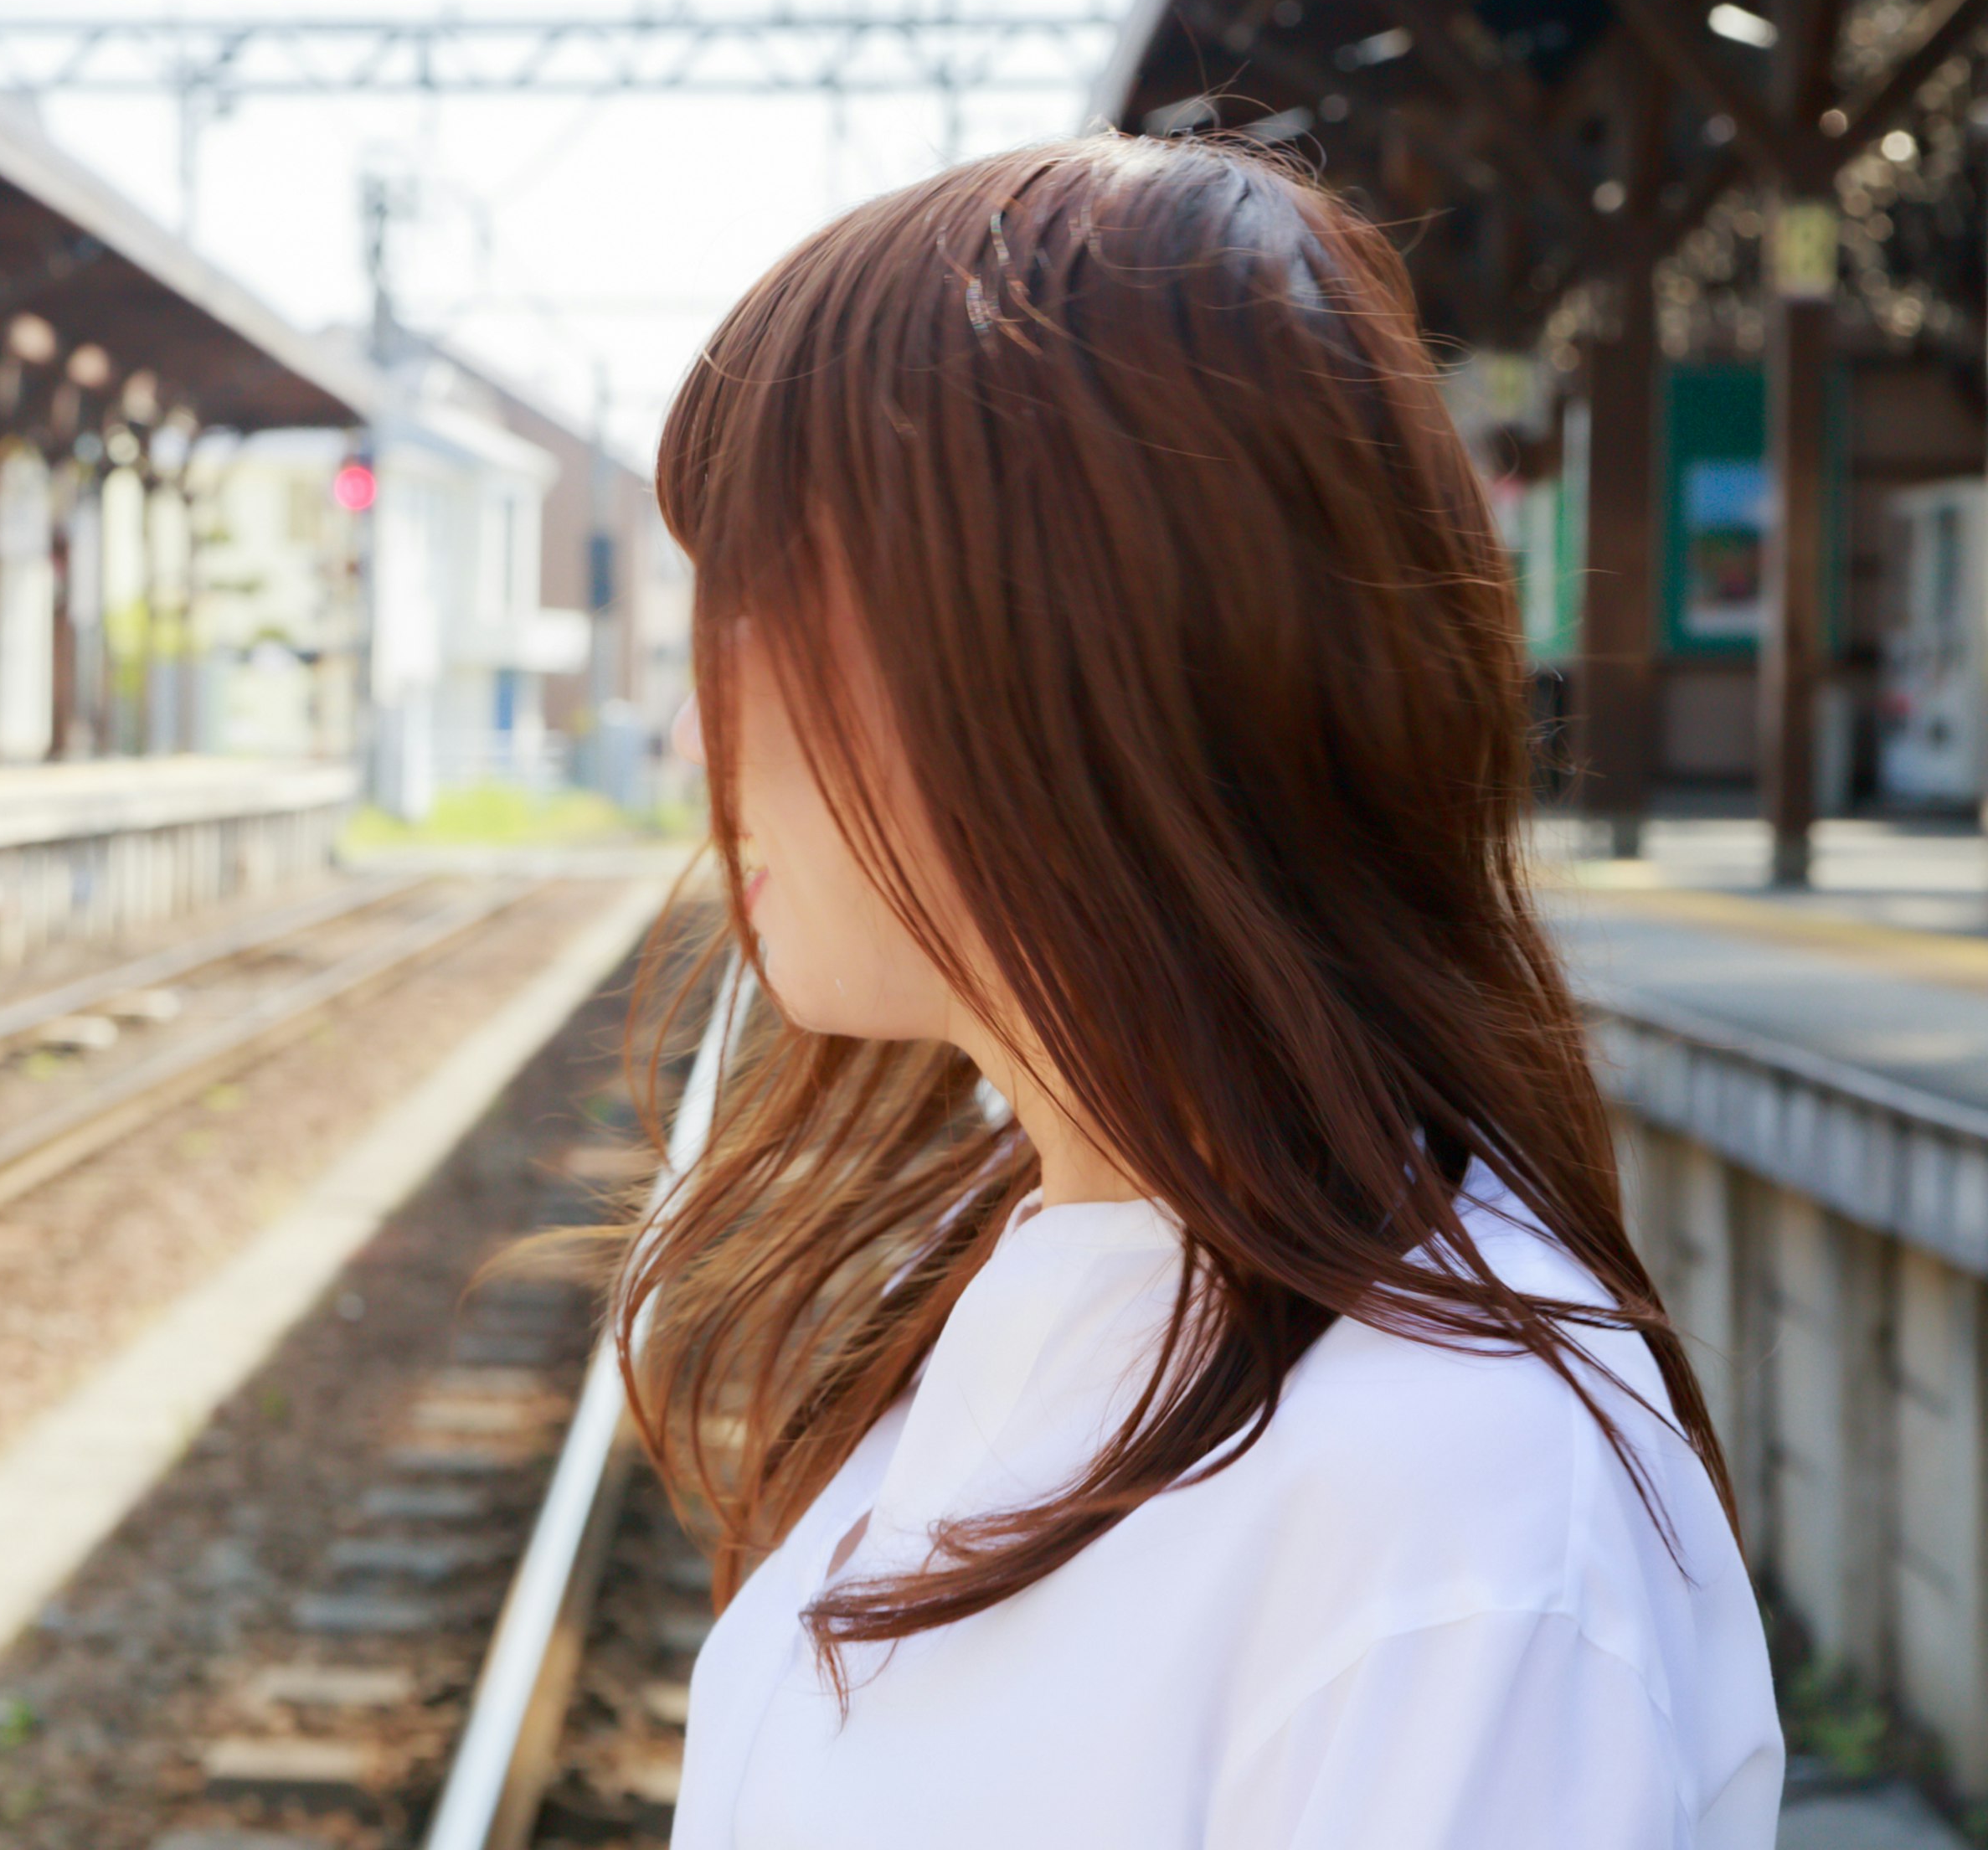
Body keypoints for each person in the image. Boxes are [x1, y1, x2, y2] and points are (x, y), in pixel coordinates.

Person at [629, 136, 1779, 1847]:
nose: (692, 735)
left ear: (1044, 656)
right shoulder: (1058, 1272)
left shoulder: (1448, 1513)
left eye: (762, 617)